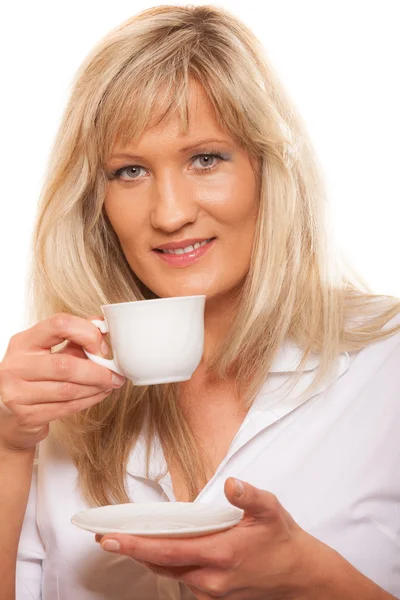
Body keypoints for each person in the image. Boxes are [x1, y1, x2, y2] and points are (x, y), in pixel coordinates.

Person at [0, 4, 399, 599]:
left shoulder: (385, 368)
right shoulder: (54, 402)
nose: (170, 213)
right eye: (130, 171)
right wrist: (9, 443)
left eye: (205, 159)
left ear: (268, 168)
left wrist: (311, 579)